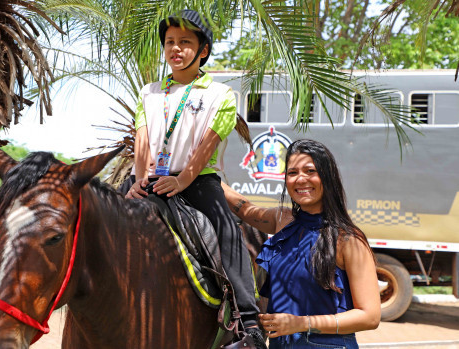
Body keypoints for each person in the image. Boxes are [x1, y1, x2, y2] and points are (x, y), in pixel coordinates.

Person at [124, 9, 267, 348]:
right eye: (170, 42)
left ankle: (249, 323)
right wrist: (136, 179)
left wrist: (182, 181)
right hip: (150, 180)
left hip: (199, 182)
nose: (175, 49)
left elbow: (207, 146)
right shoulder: (149, 92)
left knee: (229, 232)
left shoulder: (220, 95)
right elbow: (142, 141)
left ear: (202, 50)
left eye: (185, 42)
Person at [222, 139, 381, 348]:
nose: (301, 179)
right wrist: (206, 174)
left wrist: (301, 324)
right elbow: (244, 208)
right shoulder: (282, 220)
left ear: (328, 177)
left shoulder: (348, 239)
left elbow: (370, 317)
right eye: (292, 173)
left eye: (310, 171)